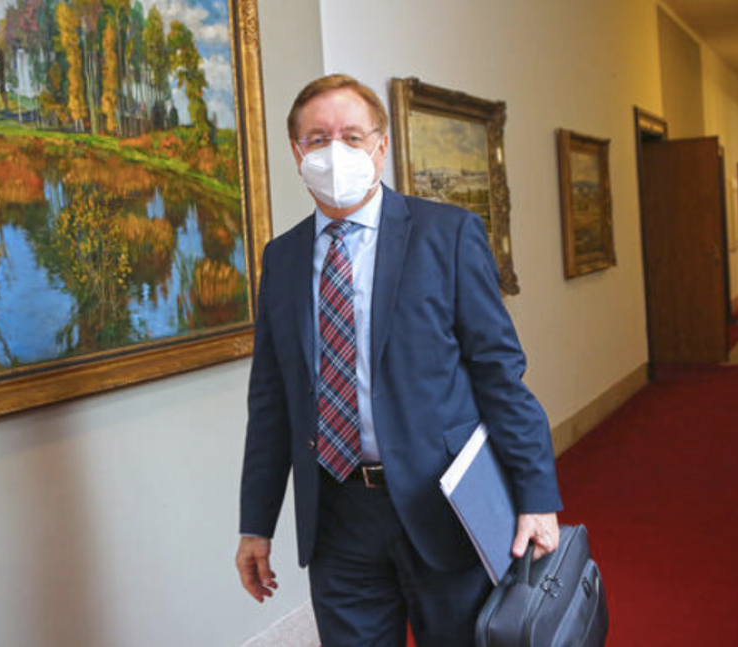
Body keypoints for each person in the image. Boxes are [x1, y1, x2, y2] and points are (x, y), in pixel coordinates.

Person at [235, 74, 562, 647]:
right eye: (317, 139)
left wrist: (536, 496)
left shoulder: (447, 234)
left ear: (380, 146)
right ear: (296, 153)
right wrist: (255, 524)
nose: (335, 151)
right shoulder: (282, 258)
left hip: (443, 507)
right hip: (336, 516)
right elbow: (270, 404)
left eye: (352, 136)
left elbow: (499, 376)